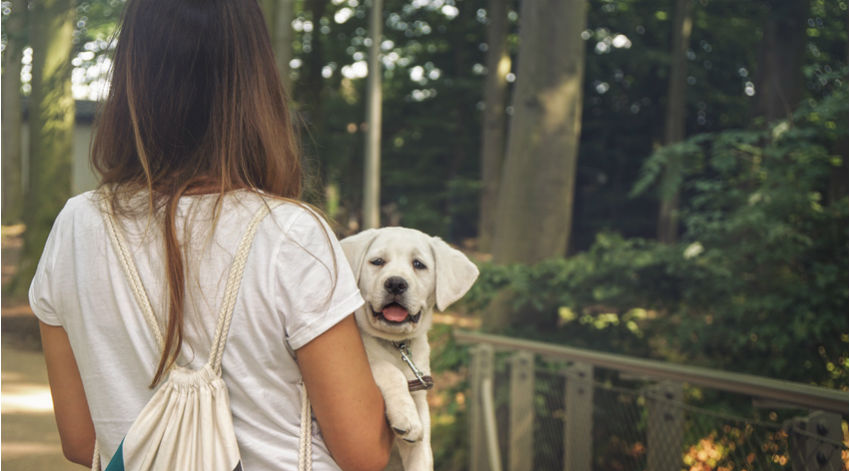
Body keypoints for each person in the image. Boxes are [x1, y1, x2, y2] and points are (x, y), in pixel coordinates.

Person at [28, 0, 394, 469]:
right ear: (256, 83)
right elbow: (363, 452)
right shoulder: (291, 235)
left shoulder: (75, 227)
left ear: (131, 77)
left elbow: (81, 442)